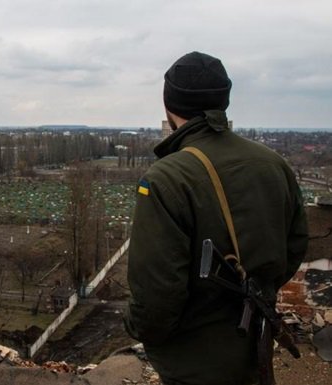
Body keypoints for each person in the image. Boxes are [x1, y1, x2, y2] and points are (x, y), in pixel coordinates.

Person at [125, 51, 308, 385]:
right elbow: (295, 244)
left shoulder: (167, 177)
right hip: (255, 341)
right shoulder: (272, 163)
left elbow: (156, 293)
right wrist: (257, 290)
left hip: (195, 358)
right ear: (224, 102)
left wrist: (140, 329)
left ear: (168, 106)